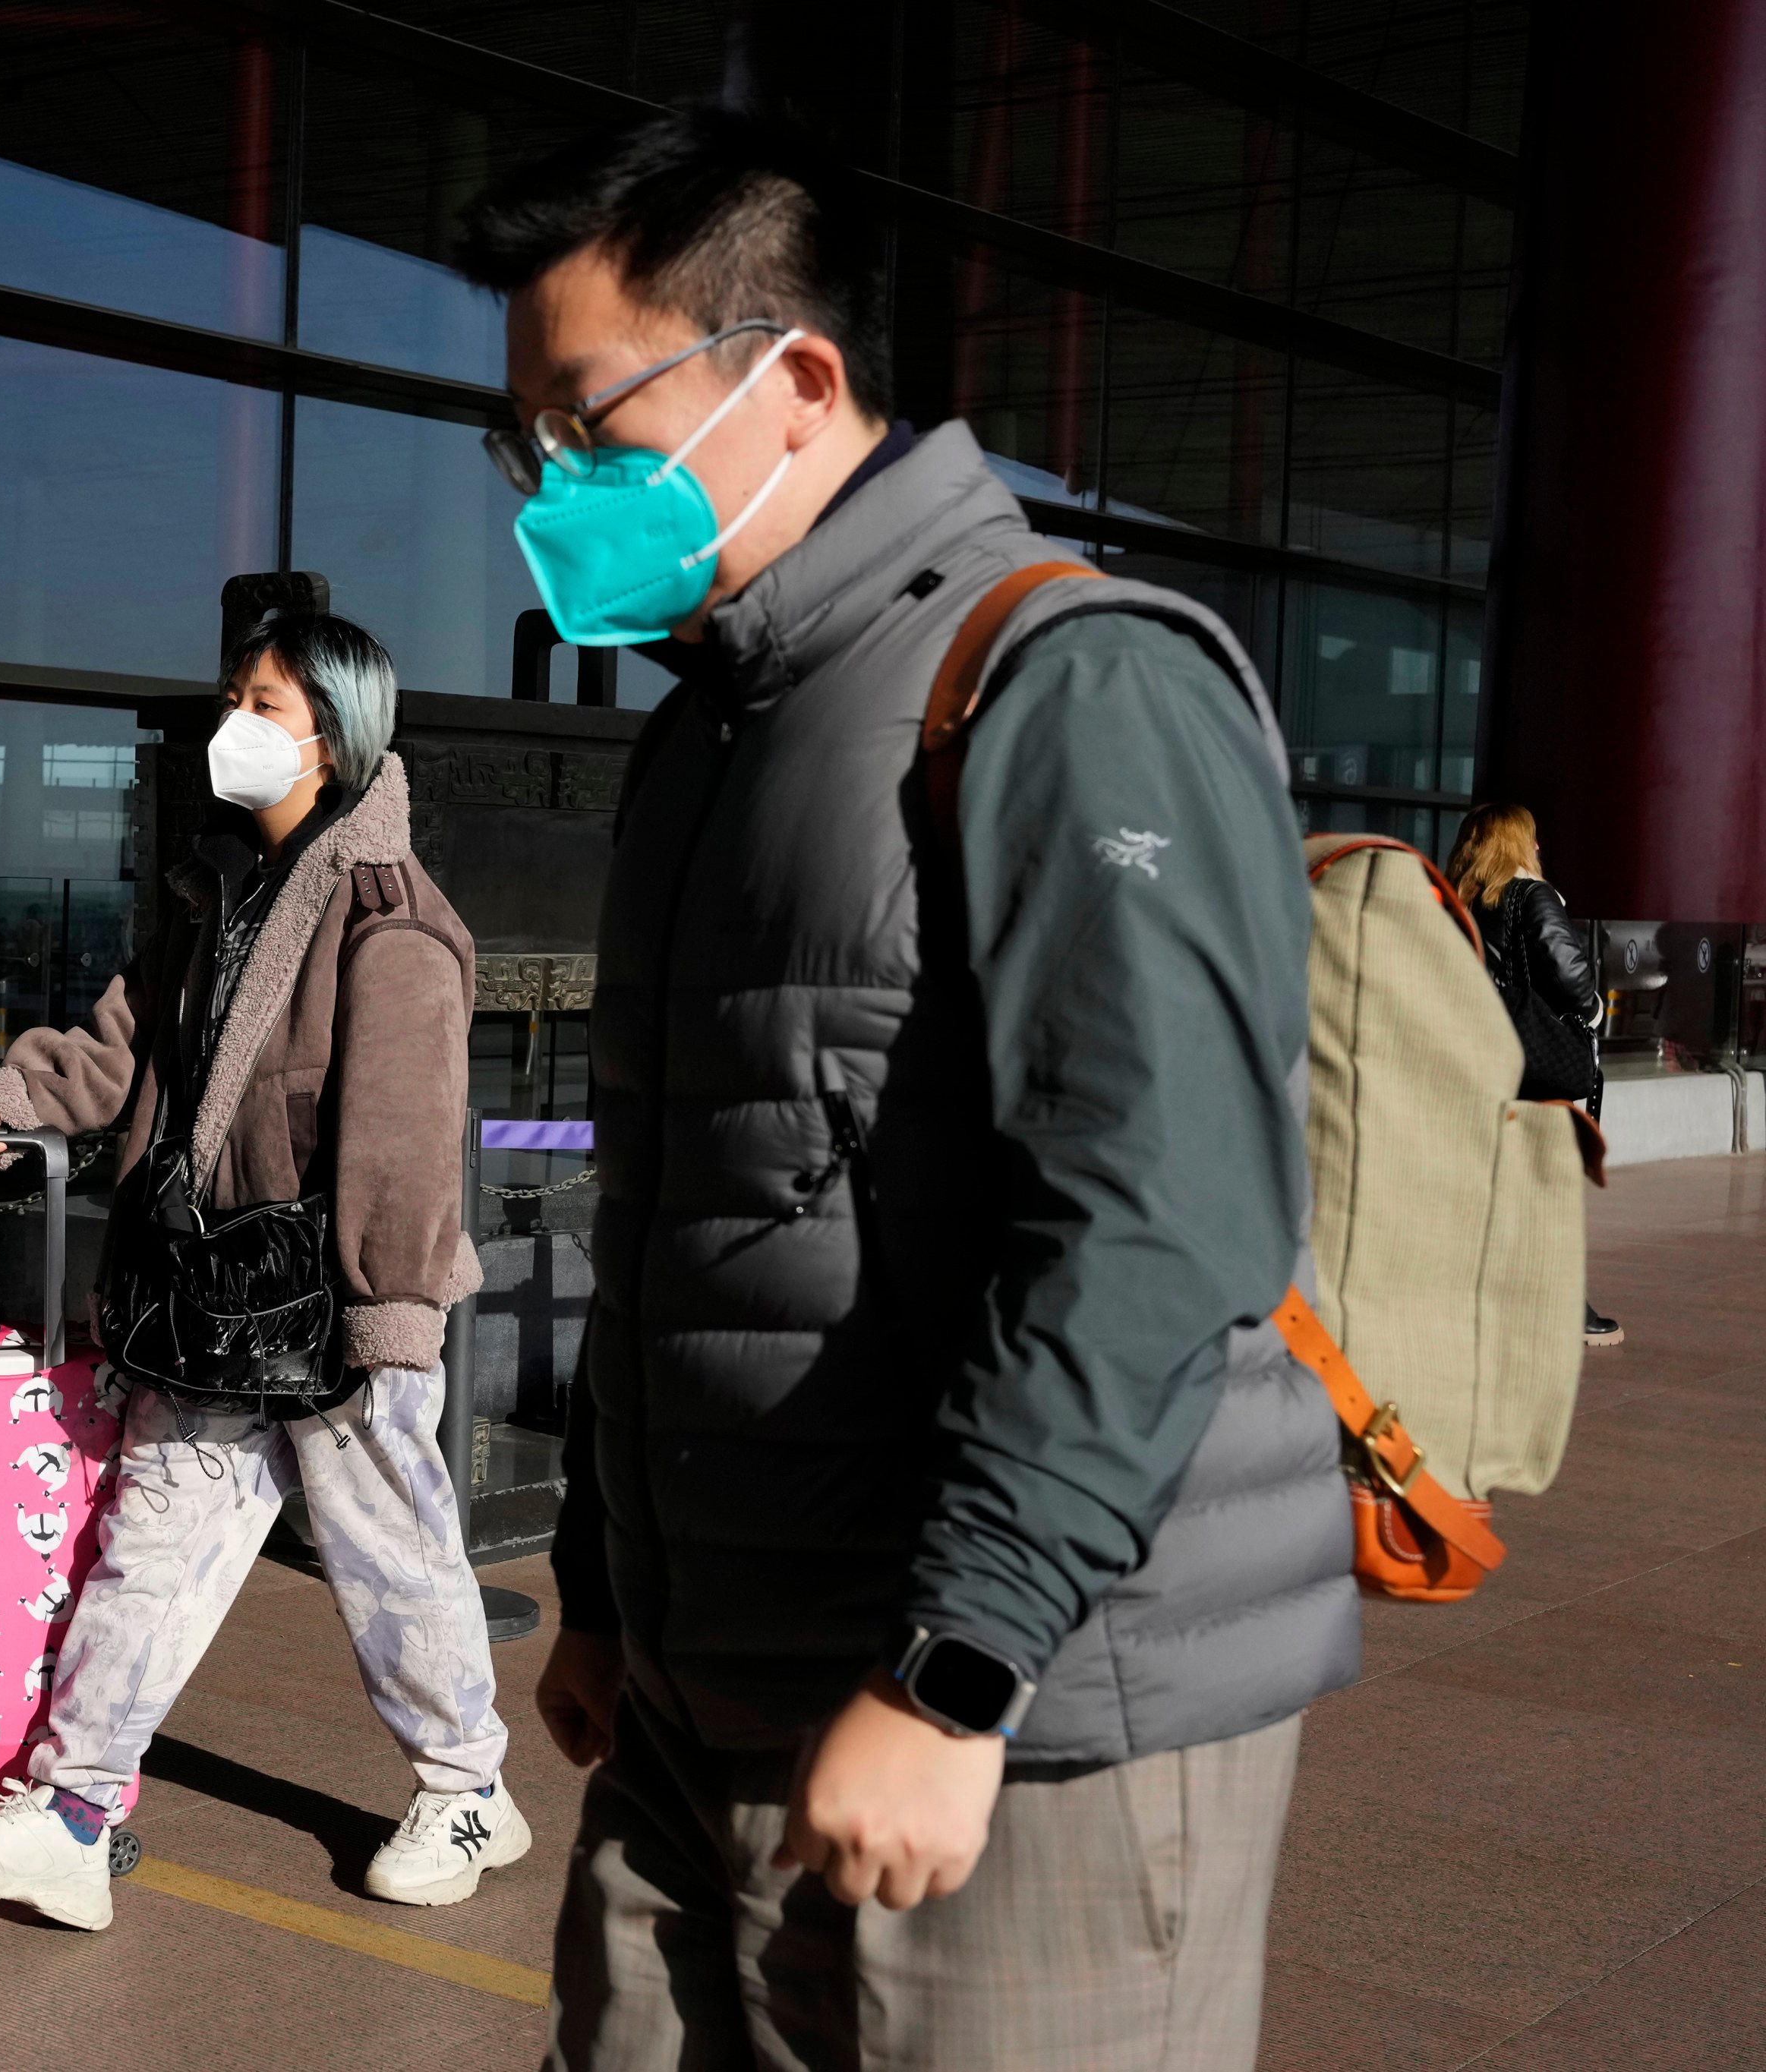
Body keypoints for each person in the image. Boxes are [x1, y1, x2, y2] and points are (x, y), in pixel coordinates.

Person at [455, 111, 1357, 2069]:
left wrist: (958, 1675)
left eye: (591, 425)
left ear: (795, 378)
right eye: (521, 441)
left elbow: (1162, 1209)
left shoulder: (1064, 680)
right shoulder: (717, 729)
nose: (552, 486)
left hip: (1020, 1717)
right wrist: (606, 1585)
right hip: (710, 1685)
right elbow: (684, 1201)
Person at [0, 610, 519, 1930]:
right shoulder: (214, 891)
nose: (229, 722)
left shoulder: (391, 921)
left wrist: (388, 1326)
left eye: (264, 703)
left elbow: (405, 1152)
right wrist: (7, 1099)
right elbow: (122, 1045)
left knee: (395, 1562)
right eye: (232, 693)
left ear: (336, 739)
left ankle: (467, 1784)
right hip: (203, 1292)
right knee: (152, 1549)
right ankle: (74, 1811)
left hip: (339, 1307)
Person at [1448, 802, 1619, 1345]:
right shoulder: (1530, 893)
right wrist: (1593, 1012)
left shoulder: (1458, 900)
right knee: (1545, 1183)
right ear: (1519, 843)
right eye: (1534, 839)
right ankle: (1565, 1308)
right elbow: (1564, 967)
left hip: (1474, 1052)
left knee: (1493, 1180)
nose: (1539, 848)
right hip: (1532, 1055)